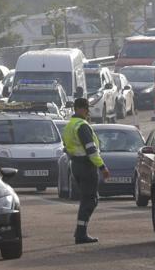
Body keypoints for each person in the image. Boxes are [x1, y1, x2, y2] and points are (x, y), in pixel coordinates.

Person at [62, 98, 111, 244]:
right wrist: (102, 167)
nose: (88, 112)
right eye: (86, 108)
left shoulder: (69, 126)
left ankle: (80, 231)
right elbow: (91, 150)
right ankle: (81, 234)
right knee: (90, 200)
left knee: (86, 199)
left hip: (75, 165)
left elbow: (66, 147)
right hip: (86, 166)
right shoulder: (82, 126)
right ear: (80, 109)